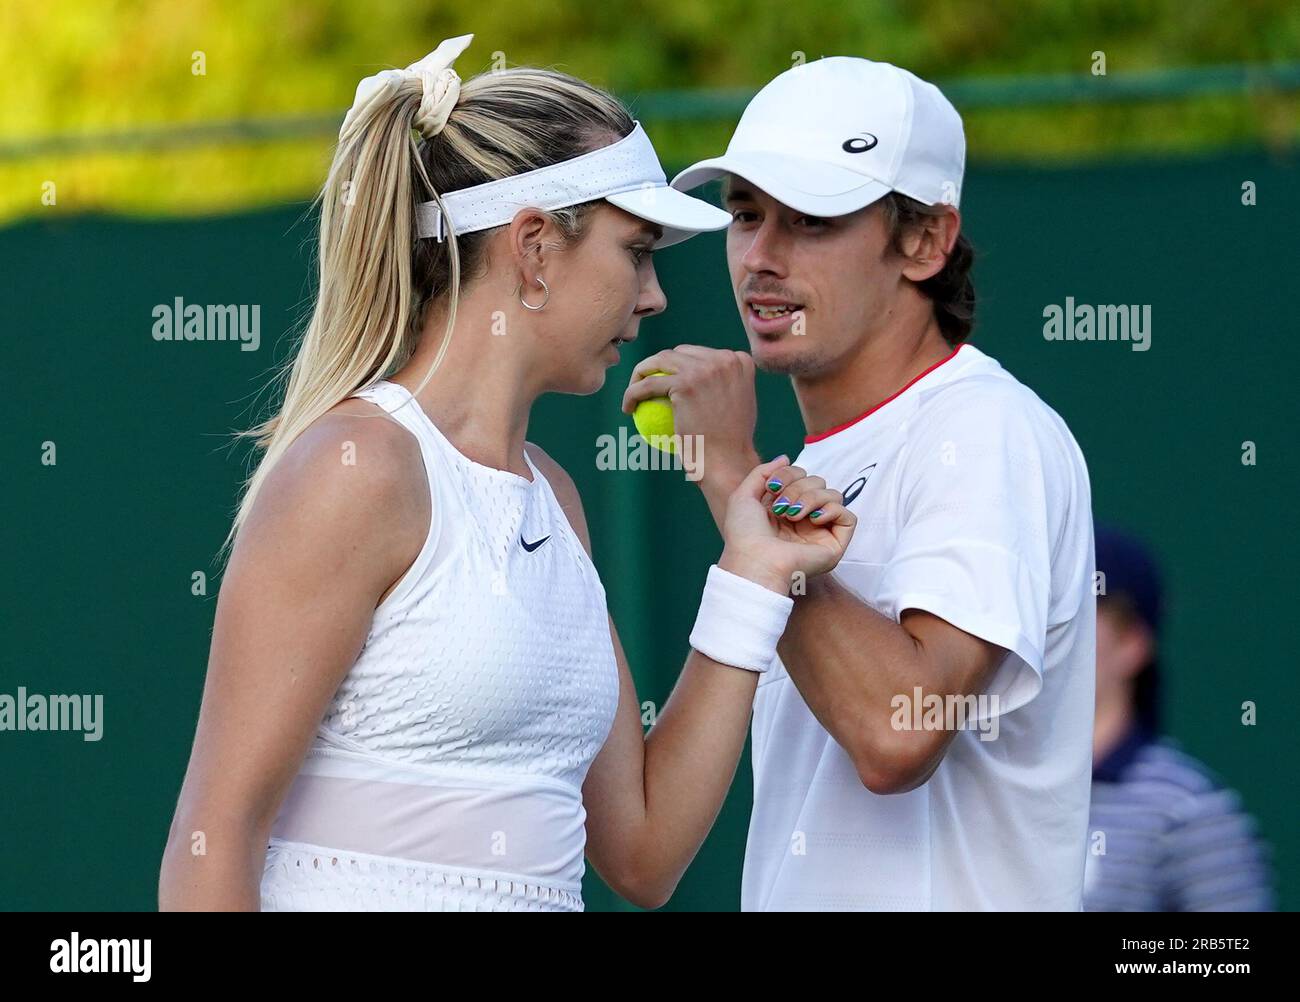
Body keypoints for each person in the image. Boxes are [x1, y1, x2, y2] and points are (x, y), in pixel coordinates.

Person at [157, 34, 857, 912]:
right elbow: (208, 845)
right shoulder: (356, 471)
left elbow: (642, 852)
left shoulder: (554, 498)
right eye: (636, 250)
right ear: (532, 247)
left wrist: (753, 574)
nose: (655, 296)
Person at [626, 55, 1097, 910]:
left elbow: (896, 735)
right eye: (744, 215)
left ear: (925, 240)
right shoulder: (821, 461)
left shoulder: (983, 429)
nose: (759, 258)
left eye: (809, 221)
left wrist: (730, 472)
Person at [1085, 526, 1274, 911]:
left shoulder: (1188, 812)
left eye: (1076, 615)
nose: (1050, 635)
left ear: (1131, 644)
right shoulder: (985, 790)